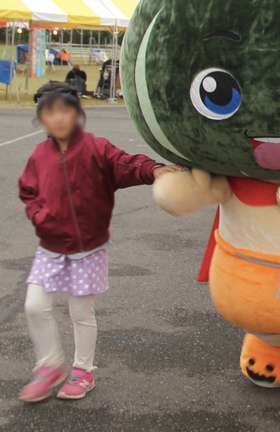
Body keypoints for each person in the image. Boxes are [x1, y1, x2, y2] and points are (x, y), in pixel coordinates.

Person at [17, 82, 180, 403]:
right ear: (42, 119)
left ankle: (83, 370)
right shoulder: (39, 156)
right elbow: (28, 191)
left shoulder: (95, 148)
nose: (59, 119)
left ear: (77, 113)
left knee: (80, 312)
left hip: (87, 249)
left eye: (65, 111)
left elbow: (126, 163)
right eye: (50, 113)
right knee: (34, 306)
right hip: (50, 248)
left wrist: (155, 170)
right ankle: (50, 365)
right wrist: (39, 216)